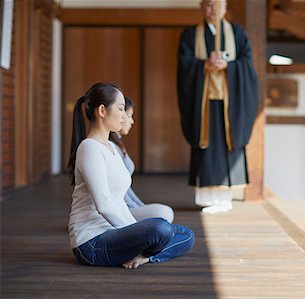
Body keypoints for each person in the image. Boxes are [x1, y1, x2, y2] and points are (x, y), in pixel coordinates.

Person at [67, 82, 194, 269]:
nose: (125, 115)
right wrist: (138, 232)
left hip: (115, 234)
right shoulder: (89, 148)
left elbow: (119, 200)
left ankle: (144, 257)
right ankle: (146, 250)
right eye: (120, 109)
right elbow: (104, 205)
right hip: (92, 244)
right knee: (160, 229)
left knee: (187, 235)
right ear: (102, 111)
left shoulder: (111, 147)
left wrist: (141, 238)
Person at [177, 0, 259, 213]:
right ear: (201, 7)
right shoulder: (190, 35)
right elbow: (184, 65)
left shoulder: (238, 34)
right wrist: (203, 64)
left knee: (226, 146)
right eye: (208, 4)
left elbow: (247, 64)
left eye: (216, 5)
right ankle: (207, 198)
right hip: (202, 101)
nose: (212, 9)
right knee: (206, 148)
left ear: (225, 8)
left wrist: (228, 66)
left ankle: (225, 199)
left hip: (229, 103)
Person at [109, 96, 175, 223]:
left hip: (125, 207)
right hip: (118, 211)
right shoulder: (109, 147)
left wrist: (140, 206)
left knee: (165, 215)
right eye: (128, 115)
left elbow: (126, 189)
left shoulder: (117, 144)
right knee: (164, 213)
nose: (131, 121)